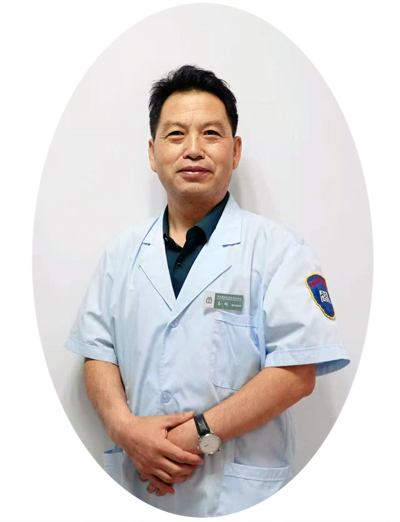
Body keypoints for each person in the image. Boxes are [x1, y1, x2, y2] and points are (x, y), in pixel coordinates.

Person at [65, 64, 350, 517]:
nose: (193, 149)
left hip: (239, 497)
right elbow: (97, 352)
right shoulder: (120, 254)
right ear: (153, 152)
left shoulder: (279, 251)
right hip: (138, 488)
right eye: (176, 134)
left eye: (211, 134)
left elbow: (297, 372)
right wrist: (125, 430)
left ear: (235, 152)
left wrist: (195, 433)